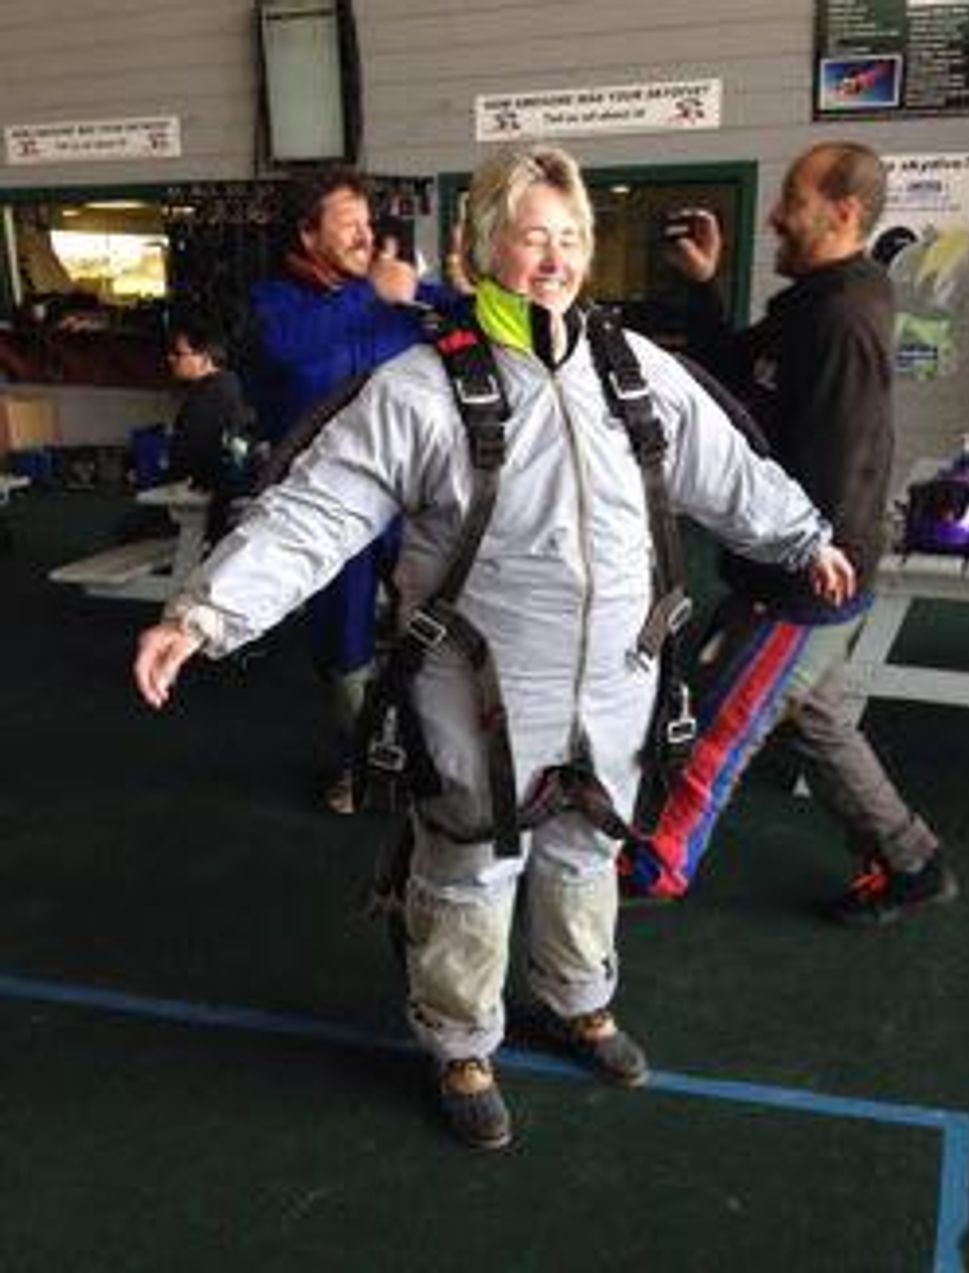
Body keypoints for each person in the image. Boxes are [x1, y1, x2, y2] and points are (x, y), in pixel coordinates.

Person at [133, 144, 854, 1152]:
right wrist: (204, 612)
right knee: (467, 861)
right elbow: (318, 509)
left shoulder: (634, 374)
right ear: (479, 249)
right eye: (530, 235)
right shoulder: (420, 389)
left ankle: (575, 1000)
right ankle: (460, 1039)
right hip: (475, 684)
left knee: (588, 843)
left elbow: (728, 471)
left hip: (615, 674)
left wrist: (803, 537)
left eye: (569, 238)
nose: (553, 257)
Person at [619, 141, 959, 926]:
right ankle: (913, 860)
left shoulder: (843, 316)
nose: (775, 215)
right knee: (819, 718)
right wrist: (706, 287)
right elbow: (740, 377)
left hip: (804, 582)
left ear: (843, 213)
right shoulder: (812, 303)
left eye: (794, 201)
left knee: (716, 723)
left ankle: (655, 863)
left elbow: (849, 460)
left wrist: (805, 563)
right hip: (796, 564)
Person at [246, 166, 454, 811]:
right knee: (344, 642)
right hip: (327, 504)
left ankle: (443, 756)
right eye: (350, 227)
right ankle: (362, 760)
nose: (367, 237)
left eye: (369, 225)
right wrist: (373, 293)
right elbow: (288, 350)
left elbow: (460, 310)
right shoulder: (273, 305)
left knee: (443, 617)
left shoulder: (385, 295)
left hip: (408, 499)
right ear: (308, 236)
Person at [166, 315, 255, 542]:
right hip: (226, 495)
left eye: (179, 353)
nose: (171, 358)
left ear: (204, 358)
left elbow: (188, 453)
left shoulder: (209, 397)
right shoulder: (228, 386)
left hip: (210, 498)